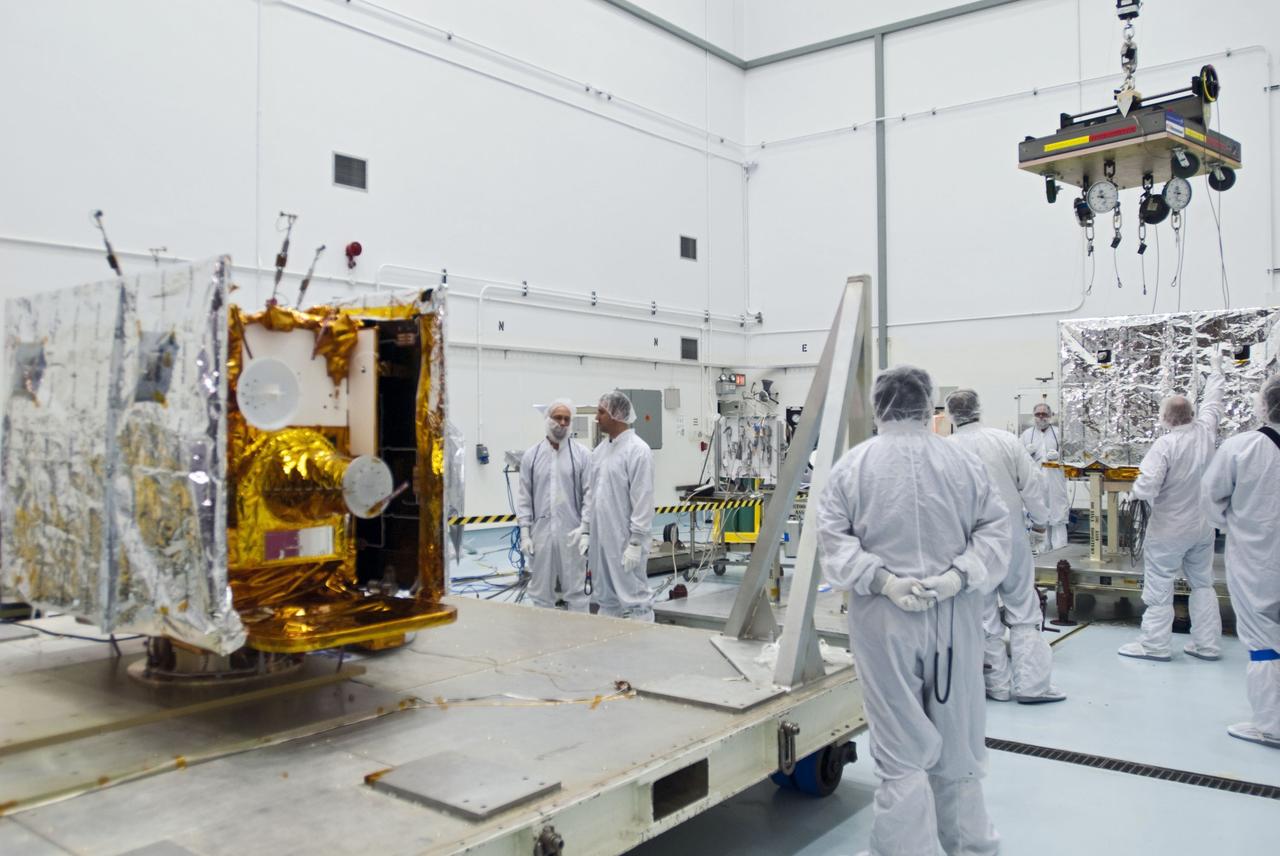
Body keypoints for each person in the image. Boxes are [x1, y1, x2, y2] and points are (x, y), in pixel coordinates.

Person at [817, 366, 1011, 856]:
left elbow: (834, 543)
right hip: (955, 618)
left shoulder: (853, 466)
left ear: (881, 405)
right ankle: (972, 847)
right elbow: (996, 530)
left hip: (885, 621)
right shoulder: (962, 462)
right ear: (930, 406)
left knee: (900, 746)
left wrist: (882, 579)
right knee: (958, 740)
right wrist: (958, 576)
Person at [946, 389, 1065, 704]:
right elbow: (1033, 484)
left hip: (970, 545)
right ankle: (1031, 686)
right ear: (979, 410)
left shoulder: (944, 450)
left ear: (949, 415)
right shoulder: (1006, 441)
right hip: (1010, 538)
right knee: (1023, 610)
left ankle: (996, 686)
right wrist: (1040, 522)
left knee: (983, 615)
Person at [1119, 353, 1226, 662]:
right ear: (1191, 414)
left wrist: (1136, 491)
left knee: (1159, 587)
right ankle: (1207, 645)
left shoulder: (1165, 446)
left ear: (1165, 418)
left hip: (1168, 530)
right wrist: (1216, 371)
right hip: (1202, 528)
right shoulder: (1206, 432)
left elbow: (1146, 486)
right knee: (1203, 584)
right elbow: (1214, 403)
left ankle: (1154, 645)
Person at [1202, 373, 1280, 749]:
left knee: (1263, 639)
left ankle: (1271, 724)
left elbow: (1212, 498)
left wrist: (1232, 524)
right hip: (1259, 554)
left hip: (1257, 558)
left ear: (1264, 404)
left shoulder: (1243, 447)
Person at [570, 391, 656, 620]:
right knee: (605, 598)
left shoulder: (638, 451)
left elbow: (643, 499)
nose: (596, 418)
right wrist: (586, 530)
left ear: (617, 415)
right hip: (601, 539)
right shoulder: (599, 451)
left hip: (625, 541)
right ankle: (610, 647)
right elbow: (592, 494)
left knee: (635, 598)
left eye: (601, 412)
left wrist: (636, 541)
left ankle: (645, 644)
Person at [515, 399, 591, 612]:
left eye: (567, 419)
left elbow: (589, 495)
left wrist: (585, 530)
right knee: (540, 592)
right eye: (558, 417)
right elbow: (524, 498)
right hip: (541, 534)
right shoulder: (533, 455)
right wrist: (524, 534)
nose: (562, 422)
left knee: (577, 591)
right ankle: (542, 636)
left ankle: (582, 636)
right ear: (548, 419)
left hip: (572, 533)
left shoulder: (582, 455)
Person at [1021, 402, 1070, 551]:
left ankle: (1060, 553)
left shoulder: (1059, 433)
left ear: (1050, 416)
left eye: (1044, 414)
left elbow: (1071, 456)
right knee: (1038, 518)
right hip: (1035, 484)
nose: (1041, 417)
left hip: (1055, 482)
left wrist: (1059, 456)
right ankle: (1040, 556)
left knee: (1058, 518)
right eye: (1038, 414)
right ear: (1033, 416)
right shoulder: (1026, 435)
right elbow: (1016, 459)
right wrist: (1025, 453)